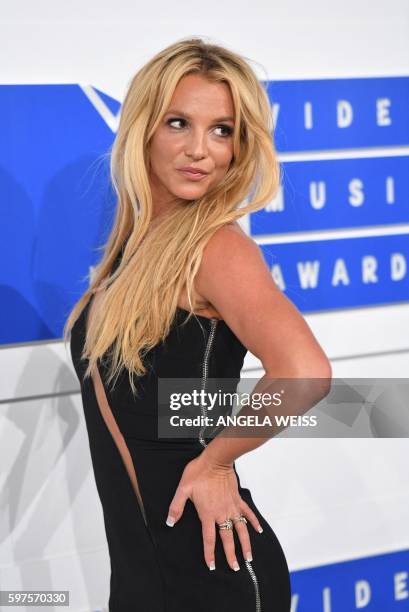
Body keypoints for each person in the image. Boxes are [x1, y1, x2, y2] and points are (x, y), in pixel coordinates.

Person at [65, 37, 332, 612]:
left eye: (222, 131)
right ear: (143, 128)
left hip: (209, 567)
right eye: (179, 123)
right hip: (143, 569)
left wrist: (217, 461)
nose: (200, 150)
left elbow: (305, 373)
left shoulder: (215, 247)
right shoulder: (132, 253)